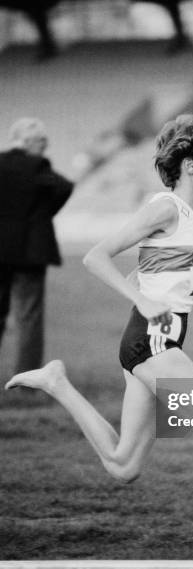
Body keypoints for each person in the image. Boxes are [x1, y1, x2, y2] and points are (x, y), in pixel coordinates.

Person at [5, 115, 193, 569]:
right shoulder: (165, 207)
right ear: (191, 165)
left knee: (123, 466)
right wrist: (141, 297)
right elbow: (96, 256)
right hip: (152, 341)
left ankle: (57, 382)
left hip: (157, 342)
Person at [0, 117, 73, 383]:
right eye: (42, 141)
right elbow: (64, 186)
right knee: (28, 318)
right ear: (27, 141)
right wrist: (41, 215)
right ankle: (27, 379)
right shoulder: (36, 165)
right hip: (30, 253)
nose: (46, 146)